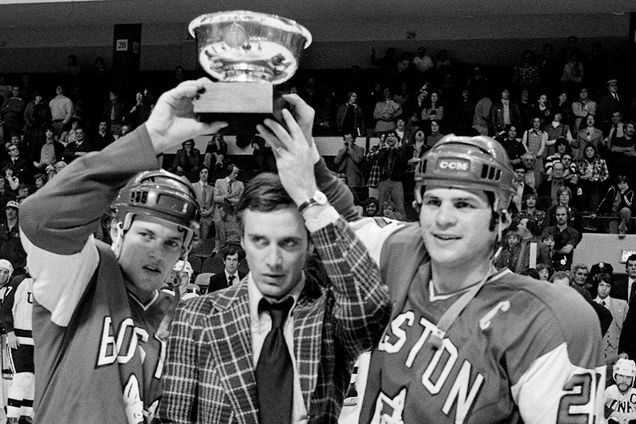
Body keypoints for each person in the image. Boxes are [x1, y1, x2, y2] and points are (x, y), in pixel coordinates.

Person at [337, 133, 604, 423]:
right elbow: (333, 218)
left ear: (502, 217)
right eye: (433, 201)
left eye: (464, 204)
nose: (443, 219)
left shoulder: (549, 319)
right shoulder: (402, 249)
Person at [157, 103, 391, 423]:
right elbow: (174, 419)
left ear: (311, 245)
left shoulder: (333, 317)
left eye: (289, 242)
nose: (273, 261)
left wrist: (311, 195)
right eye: (260, 241)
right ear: (242, 241)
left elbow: (374, 309)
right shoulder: (194, 317)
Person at [17, 78, 231, 423]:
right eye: (146, 234)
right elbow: (39, 218)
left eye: (171, 243)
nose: (156, 252)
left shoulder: (180, 319)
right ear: (118, 229)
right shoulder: (85, 271)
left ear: (184, 252)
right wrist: (152, 140)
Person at [0, 269, 34, 424]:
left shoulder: (47, 282)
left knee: (32, 379)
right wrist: (11, 332)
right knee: (21, 377)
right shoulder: (19, 281)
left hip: (38, 340)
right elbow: (6, 310)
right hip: (20, 338)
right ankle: (12, 417)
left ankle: (26, 414)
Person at [595, 273, 628, 363]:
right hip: (596, 352)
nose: (604, 289)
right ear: (597, 286)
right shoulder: (589, 304)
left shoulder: (621, 305)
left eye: (607, 286)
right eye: (601, 285)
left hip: (616, 352)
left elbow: (627, 331)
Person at [604, 358, 636, 423]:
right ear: (615, 375)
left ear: (633, 378)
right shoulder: (608, 388)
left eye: (628, 377)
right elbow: (597, 406)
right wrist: (613, 413)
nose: (624, 380)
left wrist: (631, 415)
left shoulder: (634, 391)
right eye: (621, 375)